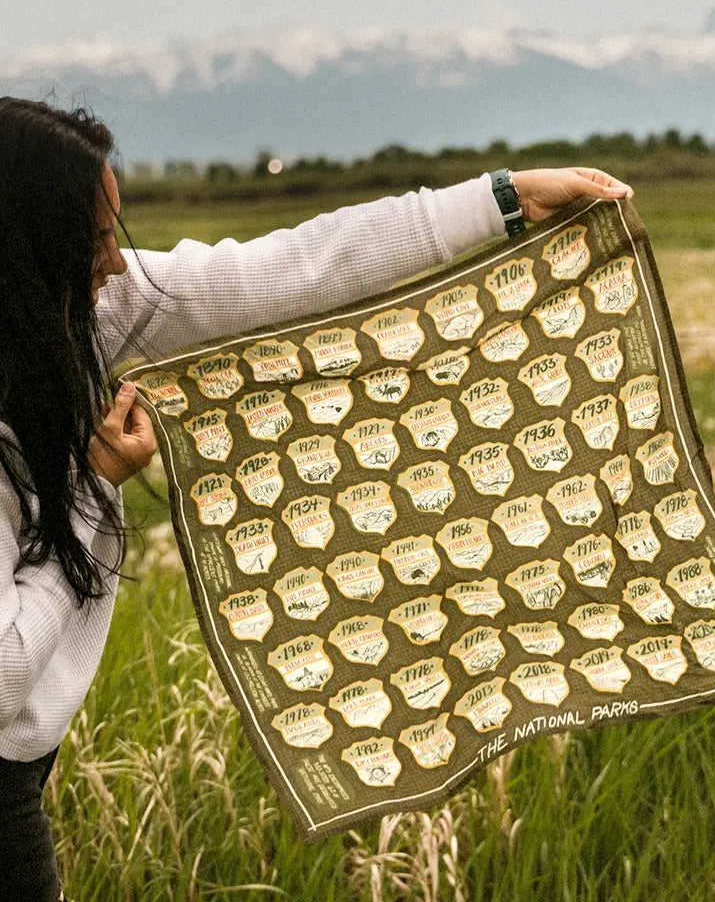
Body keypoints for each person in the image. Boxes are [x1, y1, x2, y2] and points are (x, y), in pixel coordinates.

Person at [0, 95, 634, 901]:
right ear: (26, 244)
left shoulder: (84, 315)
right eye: (94, 239)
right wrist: (93, 488)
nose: (119, 262)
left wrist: (502, 199)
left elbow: (292, 267)